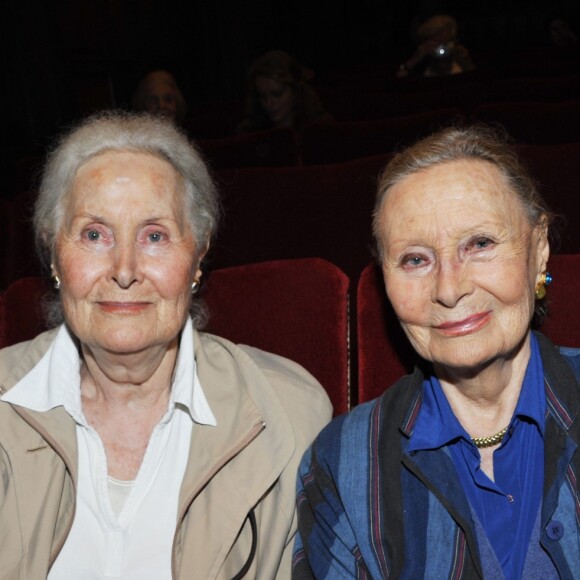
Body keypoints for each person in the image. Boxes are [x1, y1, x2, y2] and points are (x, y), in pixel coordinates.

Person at [0, 111, 332, 579]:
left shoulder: (289, 414)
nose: (124, 268)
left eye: (154, 236)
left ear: (198, 257)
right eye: (94, 234)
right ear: (55, 253)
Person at [293, 125, 580, 578]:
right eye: (415, 260)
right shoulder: (342, 462)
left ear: (539, 249)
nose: (449, 289)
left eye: (480, 244)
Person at [238, 50, 332, 133]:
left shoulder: (320, 128)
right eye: (262, 96)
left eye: (277, 94)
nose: (269, 104)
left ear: (295, 91)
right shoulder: (252, 132)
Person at [396, 14, 475, 77]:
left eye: (445, 44)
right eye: (436, 44)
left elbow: (476, 85)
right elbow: (397, 85)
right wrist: (413, 61)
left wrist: (466, 62)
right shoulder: (420, 64)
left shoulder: (459, 60)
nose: (441, 50)